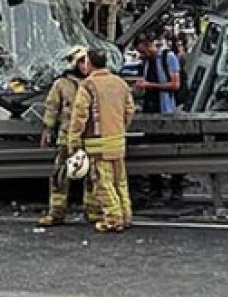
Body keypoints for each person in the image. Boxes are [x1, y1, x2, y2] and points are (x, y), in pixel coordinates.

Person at [66, 49, 136, 233]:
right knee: (120, 182)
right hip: (118, 141)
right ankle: (126, 215)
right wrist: (120, 128)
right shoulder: (120, 83)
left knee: (103, 183)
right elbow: (129, 110)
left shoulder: (88, 85)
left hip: (98, 143)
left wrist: (73, 141)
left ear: (89, 63)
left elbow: (80, 116)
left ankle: (113, 219)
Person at [37, 46, 98, 227]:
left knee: (93, 176)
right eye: (80, 61)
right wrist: (47, 130)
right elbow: (52, 107)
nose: (84, 65)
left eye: (86, 61)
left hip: (90, 135)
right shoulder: (61, 84)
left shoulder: (96, 81)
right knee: (60, 175)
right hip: (66, 136)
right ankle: (56, 212)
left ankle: (92, 211)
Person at [135, 33, 186, 203]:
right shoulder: (146, 63)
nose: (142, 55)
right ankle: (155, 188)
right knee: (151, 150)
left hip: (167, 109)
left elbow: (175, 84)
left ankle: (176, 188)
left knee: (171, 150)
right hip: (150, 109)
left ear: (150, 45)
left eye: (143, 51)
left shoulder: (168, 57)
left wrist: (150, 85)